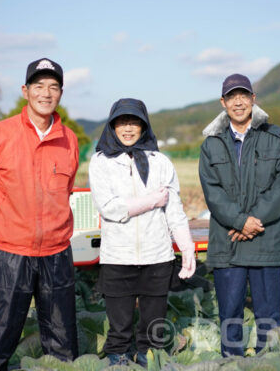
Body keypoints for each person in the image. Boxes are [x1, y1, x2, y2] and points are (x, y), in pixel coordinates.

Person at [0, 58, 79, 369]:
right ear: (25, 90)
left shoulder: (69, 139)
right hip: (10, 252)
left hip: (57, 252)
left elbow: (67, 190)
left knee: (62, 340)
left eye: (53, 87)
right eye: (39, 86)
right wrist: (10, 227)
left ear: (60, 93)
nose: (46, 93)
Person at [88, 98, 196, 367]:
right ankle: (118, 358)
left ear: (144, 125)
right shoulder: (101, 162)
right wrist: (151, 201)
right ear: (112, 126)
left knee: (153, 324)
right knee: (119, 325)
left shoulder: (160, 162)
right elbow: (110, 208)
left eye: (134, 122)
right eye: (122, 122)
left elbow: (174, 210)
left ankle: (149, 358)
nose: (128, 128)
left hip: (156, 254)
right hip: (118, 256)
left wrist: (186, 247)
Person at [198, 74, 280, 357]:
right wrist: (241, 222)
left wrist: (251, 223)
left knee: (268, 317)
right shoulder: (211, 144)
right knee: (230, 316)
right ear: (223, 102)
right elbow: (212, 192)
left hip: (265, 240)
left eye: (243, 95)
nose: (238, 102)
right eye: (231, 96)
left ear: (253, 99)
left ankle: (269, 362)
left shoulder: (277, 139)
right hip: (228, 242)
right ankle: (231, 362)